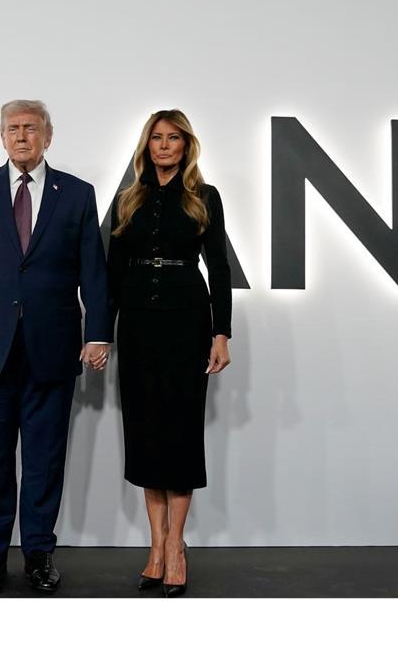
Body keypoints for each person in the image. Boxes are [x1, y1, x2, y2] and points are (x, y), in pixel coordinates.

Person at [0, 100, 112, 596]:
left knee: (44, 460)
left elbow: (93, 271)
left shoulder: (77, 194)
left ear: (47, 136)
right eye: (12, 129)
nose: (20, 136)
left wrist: (97, 332)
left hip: (52, 348)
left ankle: (38, 555)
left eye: (30, 128)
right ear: (1, 136)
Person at [107, 109, 232, 597]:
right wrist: (101, 331)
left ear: (186, 145)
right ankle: (154, 546)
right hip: (137, 323)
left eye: (172, 138)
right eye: (156, 138)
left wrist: (221, 332)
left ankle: (176, 546)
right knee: (143, 433)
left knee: (178, 433)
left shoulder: (205, 197)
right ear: (147, 145)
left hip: (187, 322)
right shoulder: (127, 199)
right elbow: (113, 271)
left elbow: (218, 267)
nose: (163, 146)